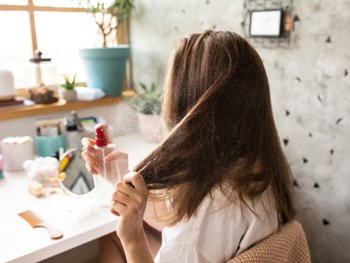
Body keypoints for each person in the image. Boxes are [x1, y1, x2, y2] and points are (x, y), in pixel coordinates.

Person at [81, 30, 296, 263]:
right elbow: (177, 215)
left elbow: (191, 226)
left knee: (116, 238)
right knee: (111, 238)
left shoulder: (210, 208)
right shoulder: (252, 168)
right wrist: (118, 178)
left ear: (188, 103)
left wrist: (132, 237)